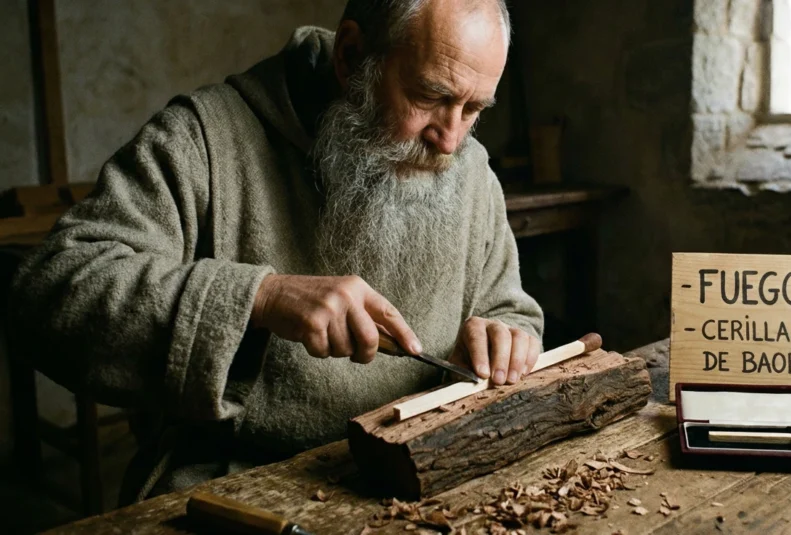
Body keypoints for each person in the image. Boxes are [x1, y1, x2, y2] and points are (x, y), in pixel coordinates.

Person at [8, 0, 543, 504]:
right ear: (352, 56)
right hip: (239, 488)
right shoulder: (203, 139)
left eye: (474, 108)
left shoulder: (468, 167)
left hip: (425, 471)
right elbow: (47, 294)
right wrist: (258, 297)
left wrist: (505, 338)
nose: (451, 140)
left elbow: (508, 308)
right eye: (429, 97)